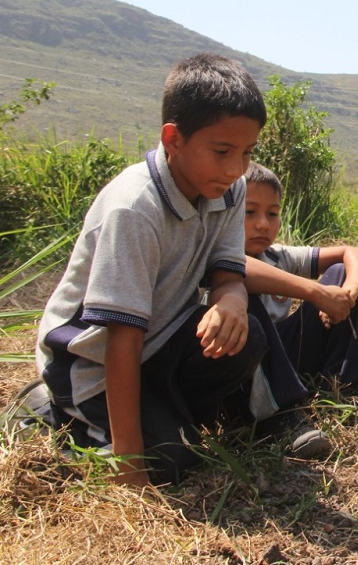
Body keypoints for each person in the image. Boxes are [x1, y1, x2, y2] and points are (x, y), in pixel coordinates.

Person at [29, 54, 328, 487]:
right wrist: (130, 468)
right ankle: (50, 409)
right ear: (173, 138)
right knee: (167, 465)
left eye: (246, 153)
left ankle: (167, 418)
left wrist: (230, 300)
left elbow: (228, 271)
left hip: (161, 341)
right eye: (222, 151)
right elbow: (121, 338)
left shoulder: (230, 189)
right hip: (93, 361)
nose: (234, 168)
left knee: (247, 337)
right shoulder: (135, 209)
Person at [242, 161, 358, 395]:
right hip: (245, 366)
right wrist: (318, 294)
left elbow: (355, 253)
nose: (263, 224)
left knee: (341, 272)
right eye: (249, 212)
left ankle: (342, 388)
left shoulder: (278, 256)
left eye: (272, 213)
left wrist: (347, 295)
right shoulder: (215, 255)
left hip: (287, 354)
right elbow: (239, 268)